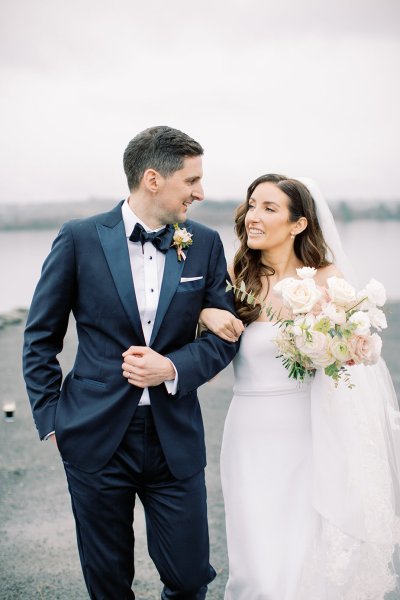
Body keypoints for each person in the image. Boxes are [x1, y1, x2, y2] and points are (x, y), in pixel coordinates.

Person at [23, 126, 239, 600]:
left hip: (173, 437)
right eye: (192, 181)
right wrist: (52, 420)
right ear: (153, 179)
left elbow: (226, 336)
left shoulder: (203, 243)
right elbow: (41, 336)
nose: (201, 193)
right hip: (94, 435)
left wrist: (174, 368)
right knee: (107, 582)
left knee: (188, 578)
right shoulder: (79, 238)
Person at [200, 174, 400, 599]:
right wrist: (204, 315)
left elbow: (351, 361)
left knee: (302, 545)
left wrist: (348, 346)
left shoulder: (327, 281)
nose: (254, 216)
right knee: (255, 550)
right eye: (252, 205)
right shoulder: (235, 277)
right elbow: (210, 358)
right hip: (248, 434)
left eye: (269, 208)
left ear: (299, 224)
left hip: (309, 433)